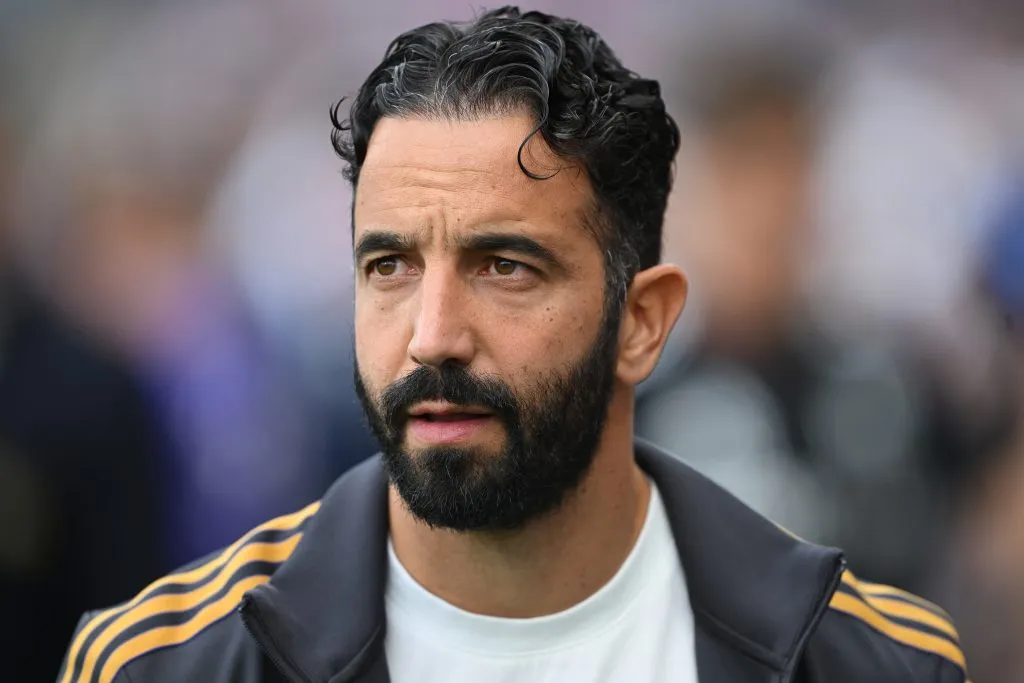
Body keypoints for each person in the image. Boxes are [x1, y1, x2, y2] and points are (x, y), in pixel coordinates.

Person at [57, 8, 967, 683]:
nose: (433, 335)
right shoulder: (162, 662)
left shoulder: (874, 659)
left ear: (642, 322)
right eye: (390, 265)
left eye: (506, 267)